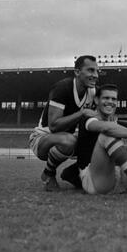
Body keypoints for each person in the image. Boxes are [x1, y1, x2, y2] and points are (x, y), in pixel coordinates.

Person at [29, 55, 98, 191]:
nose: (95, 75)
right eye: (90, 70)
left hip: (67, 138)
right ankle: (48, 173)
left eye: (97, 71)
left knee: (96, 140)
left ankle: (75, 175)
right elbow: (53, 126)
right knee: (68, 140)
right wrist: (81, 113)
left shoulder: (92, 92)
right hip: (43, 138)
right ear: (77, 72)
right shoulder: (63, 87)